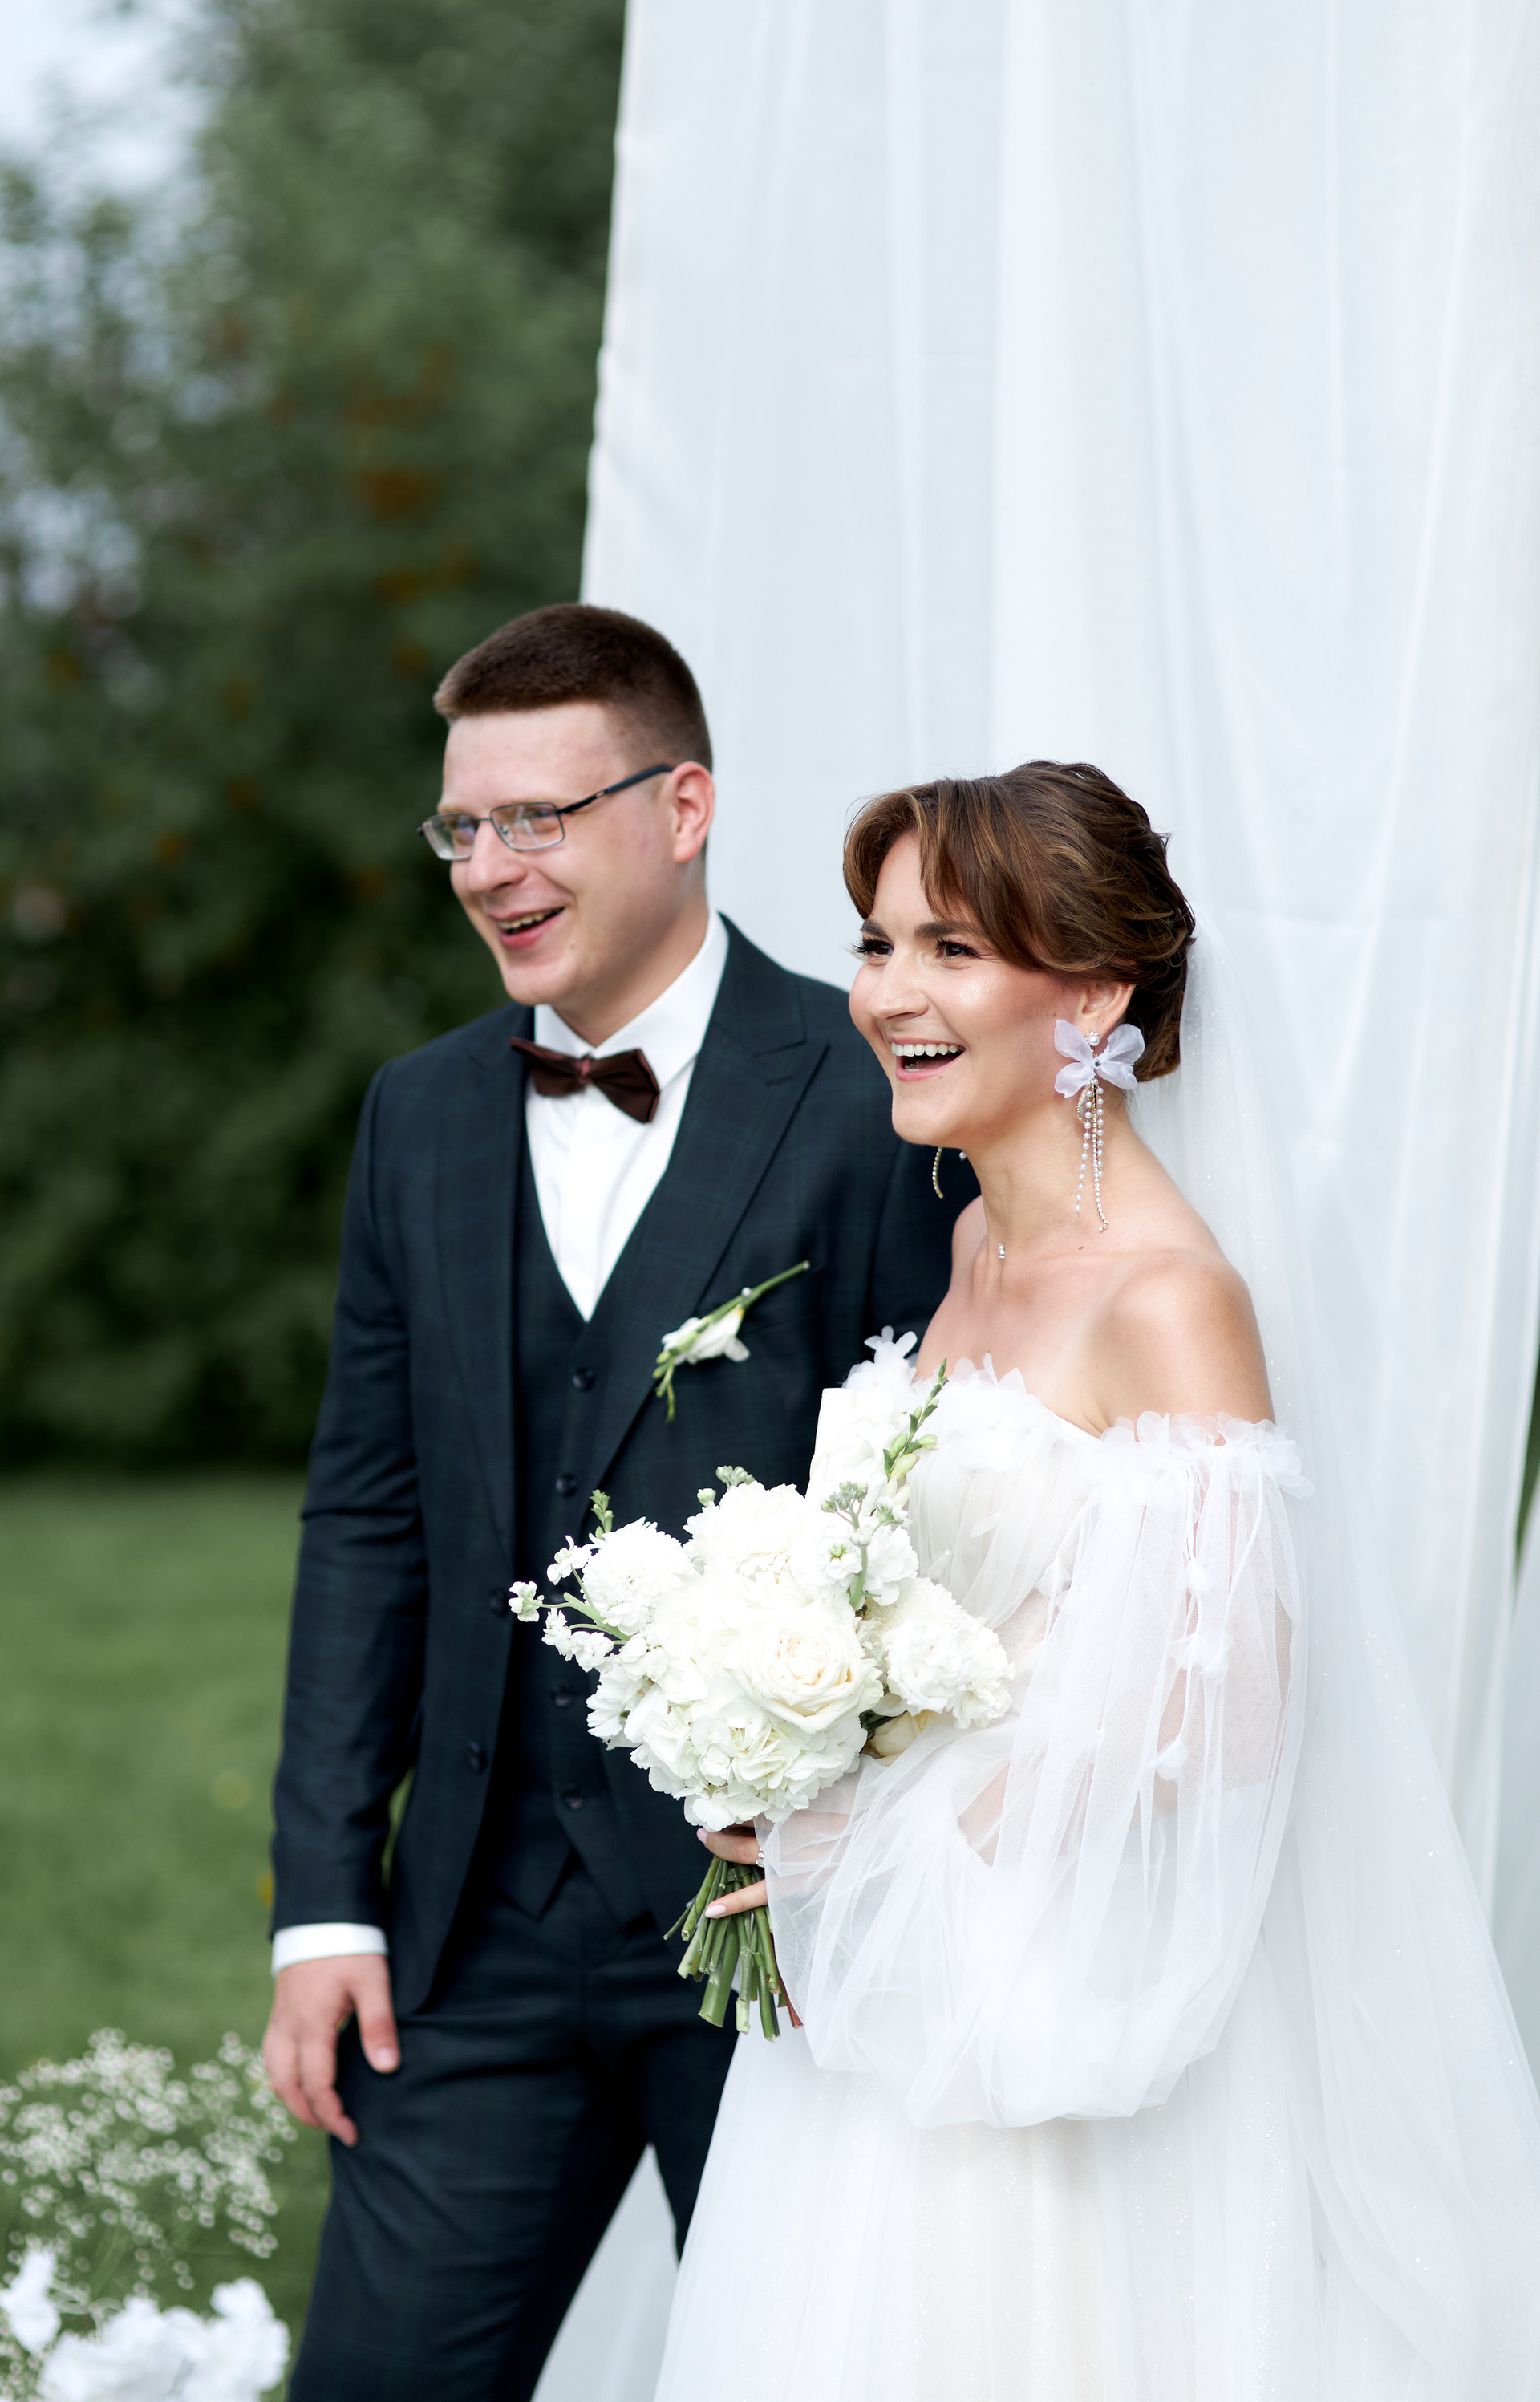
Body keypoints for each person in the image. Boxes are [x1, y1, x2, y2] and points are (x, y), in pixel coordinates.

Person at [656, 764, 1540, 2400]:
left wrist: (874, 1837)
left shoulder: (1169, 1297)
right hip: (900, 2003)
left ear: (1094, 993)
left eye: (952, 949)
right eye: (876, 944)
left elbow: (1231, 1713)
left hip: (1051, 2013)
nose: (892, 994)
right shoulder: (975, 1249)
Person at [262, 603, 960, 2401]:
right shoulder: (418, 1117)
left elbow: (942, 1506)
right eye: (462, 827)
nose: (489, 869)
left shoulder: (873, 1096)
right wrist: (326, 1905)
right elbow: (367, 1517)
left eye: (536, 818)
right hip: (470, 1929)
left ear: (683, 808)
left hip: (775, 1935)